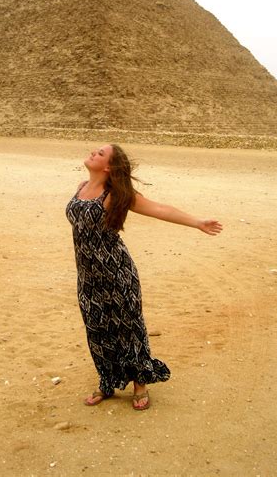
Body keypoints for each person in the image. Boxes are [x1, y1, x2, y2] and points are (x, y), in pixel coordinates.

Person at [65, 144, 223, 411]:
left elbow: (159, 209)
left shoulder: (115, 194)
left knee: (129, 329)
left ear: (108, 168)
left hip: (117, 273)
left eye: (100, 153)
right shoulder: (81, 187)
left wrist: (196, 222)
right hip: (88, 277)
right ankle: (107, 382)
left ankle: (140, 384)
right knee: (97, 329)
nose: (93, 152)